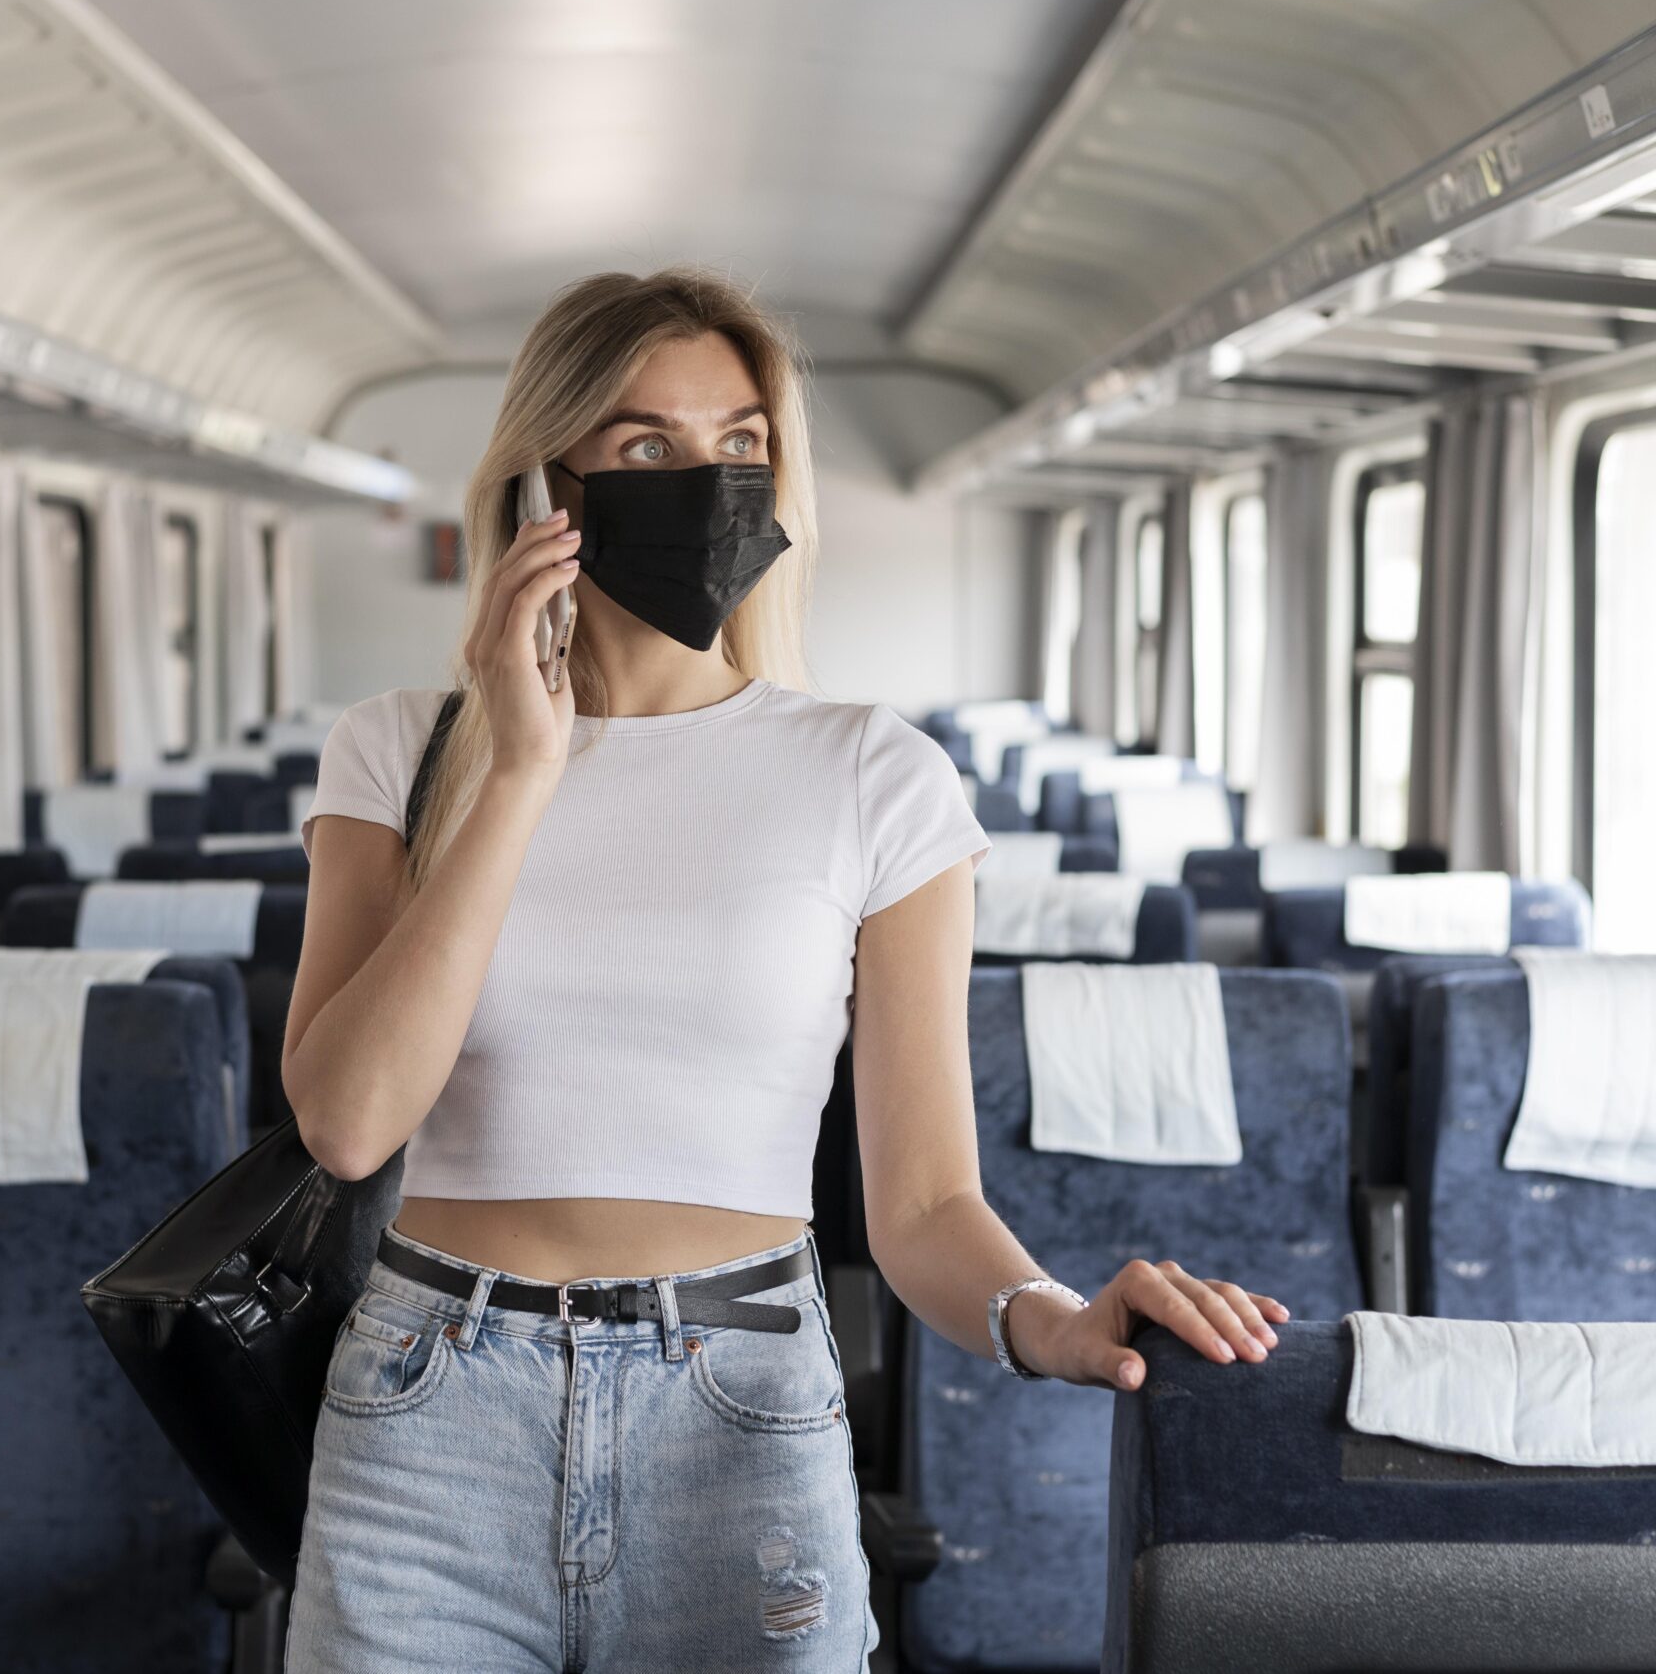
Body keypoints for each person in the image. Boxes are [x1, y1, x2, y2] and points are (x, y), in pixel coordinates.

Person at [280, 266, 1284, 1671]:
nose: (706, 481)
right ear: (544, 484)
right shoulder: (400, 750)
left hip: (741, 1409)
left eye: (740, 444)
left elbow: (926, 1199)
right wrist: (519, 768)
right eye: (645, 448)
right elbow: (347, 1119)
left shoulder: (877, 777)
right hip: (433, 1401)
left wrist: (1048, 1321)